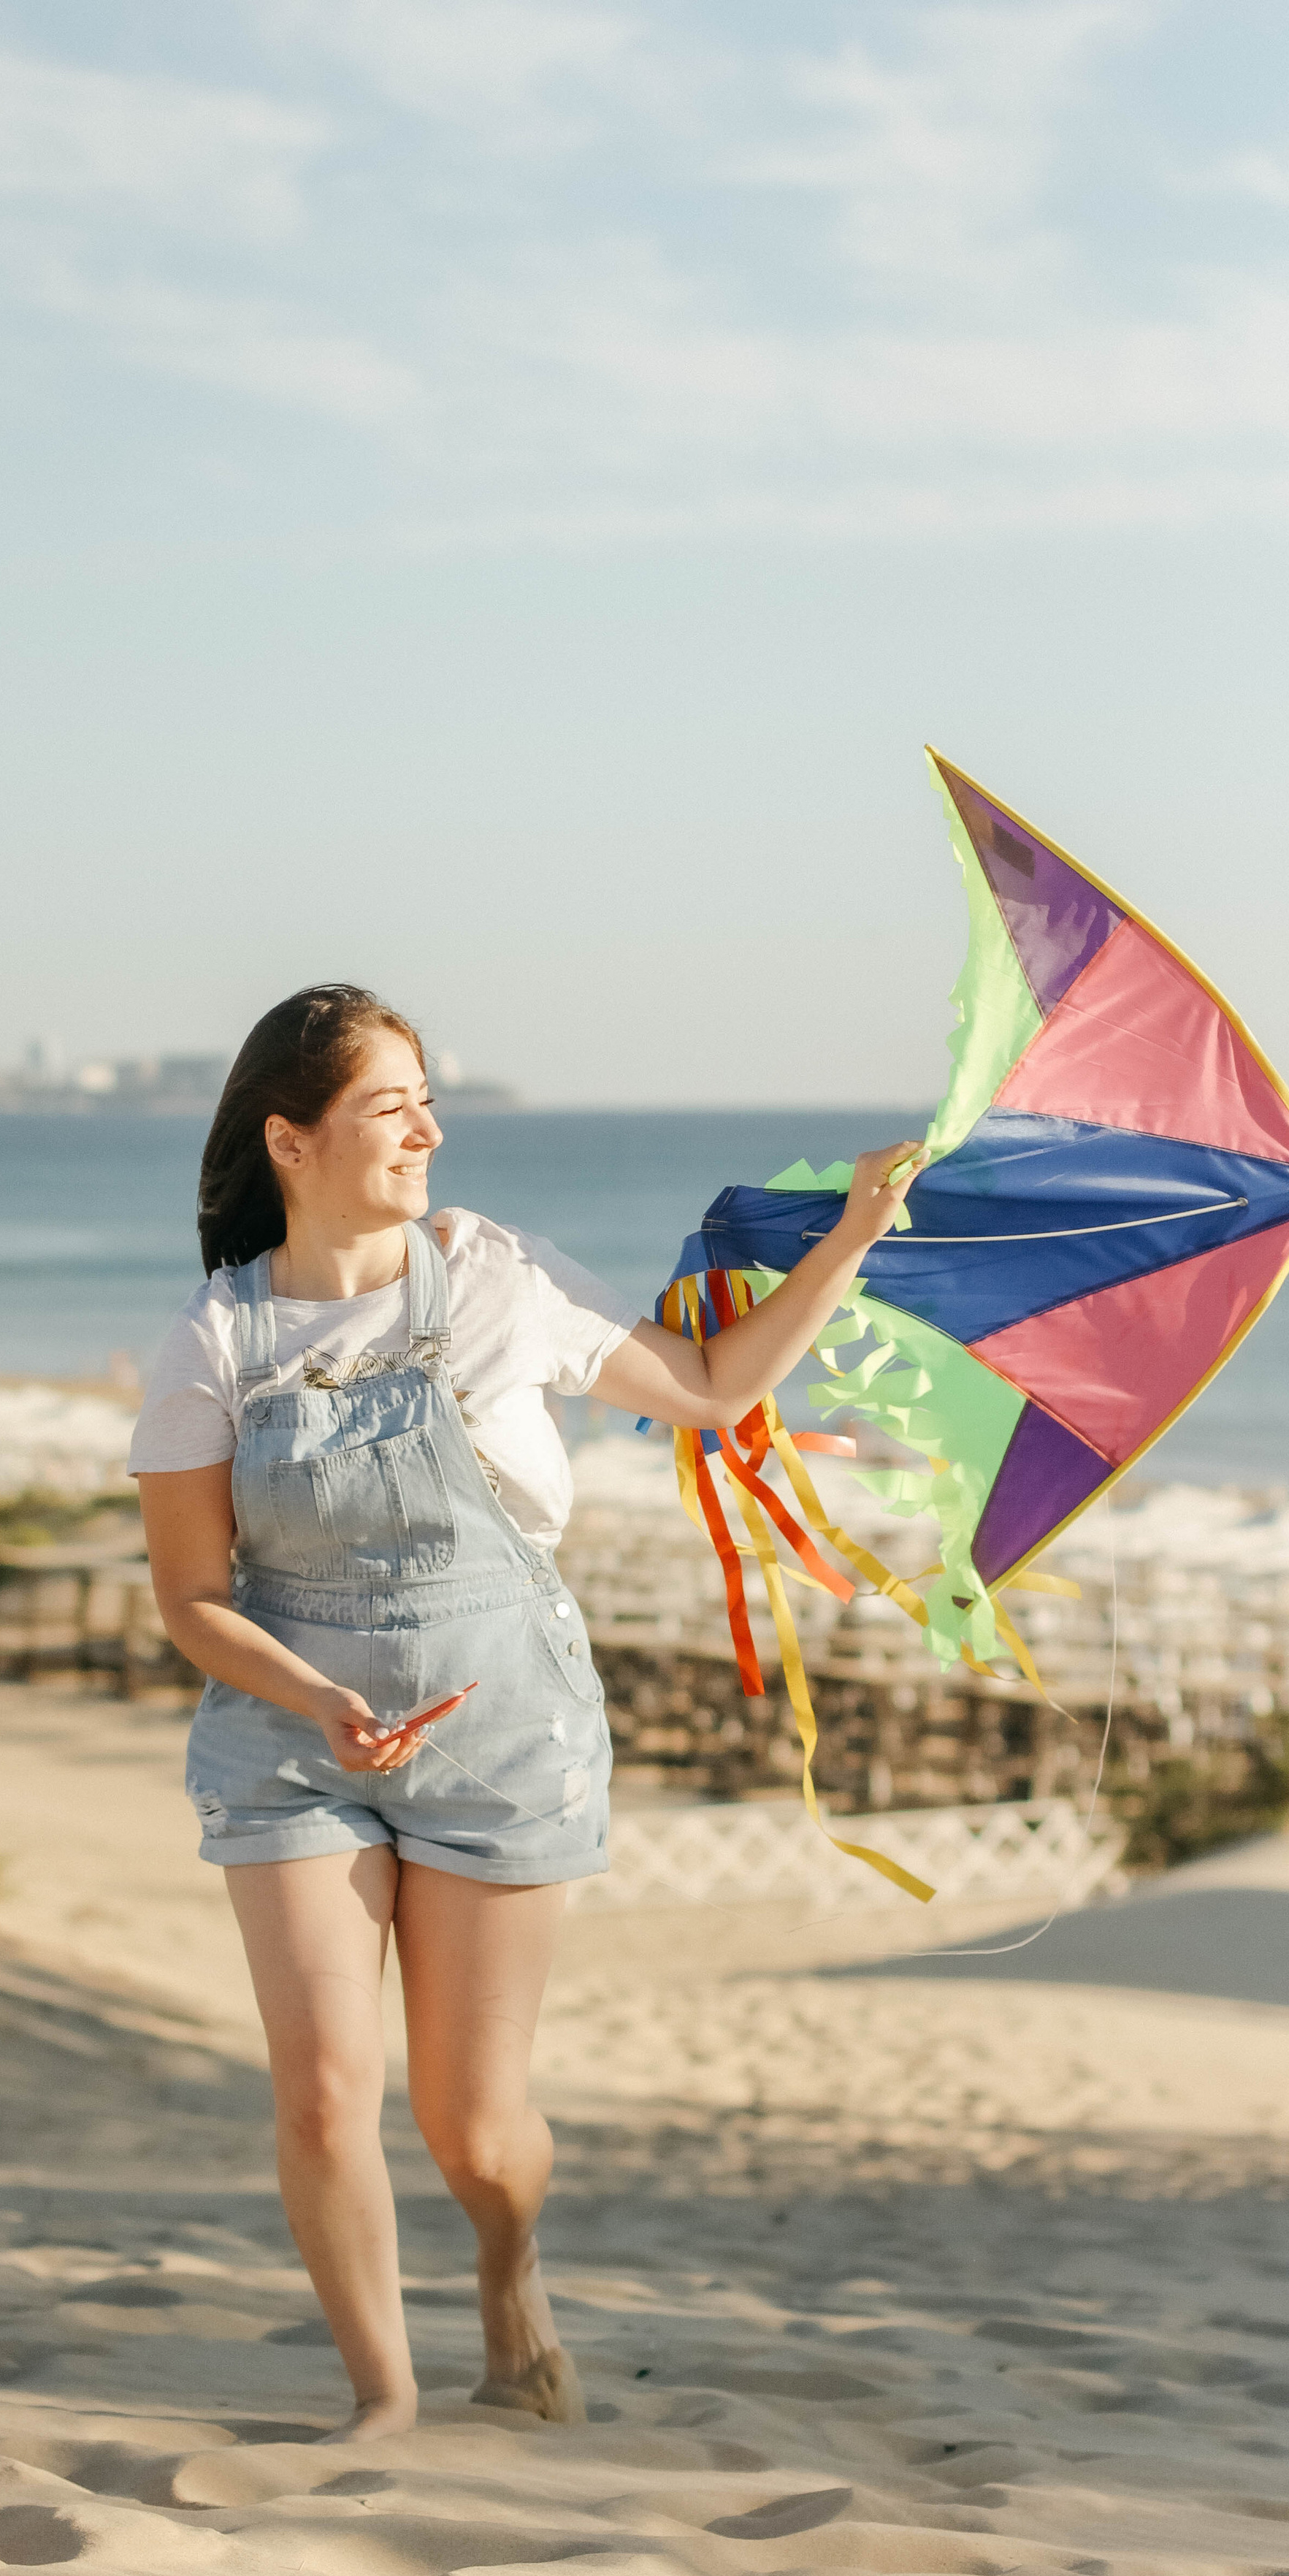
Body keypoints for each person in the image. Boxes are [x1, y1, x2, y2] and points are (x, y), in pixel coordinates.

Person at [133, 984, 921, 2442]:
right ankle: (382, 2398)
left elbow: (702, 1387)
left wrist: (850, 1236)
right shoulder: (213, 1341)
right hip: (293, 1736)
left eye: (428, 1096)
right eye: (389, 1103)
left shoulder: (495, 1275)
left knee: (474, 2133)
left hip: (504, 1737)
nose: (426, 1126)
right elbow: (190, 1597)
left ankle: (508, 2271)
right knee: (318, 2092)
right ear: (289, 1140)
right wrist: (315, 1695)